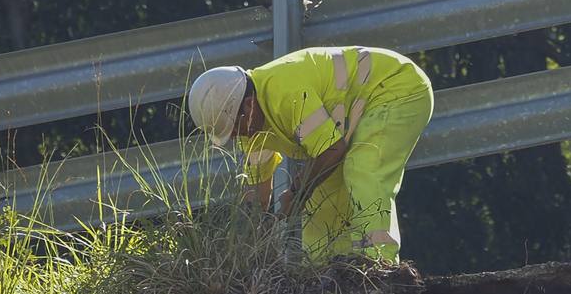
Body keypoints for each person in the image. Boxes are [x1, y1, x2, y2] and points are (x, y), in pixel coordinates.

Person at [186, 46, 434, 262]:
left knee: (362, 168)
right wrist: (253, 239)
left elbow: (331, 149)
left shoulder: (285, 92)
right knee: (320, 202)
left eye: (236, 129)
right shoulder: (249, 126)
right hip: (347, 122)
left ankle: (380, 265)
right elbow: (256, 195)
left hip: (396, 89)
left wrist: (295, 192)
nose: (237, 137)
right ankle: (326, 284)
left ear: (249, 106)